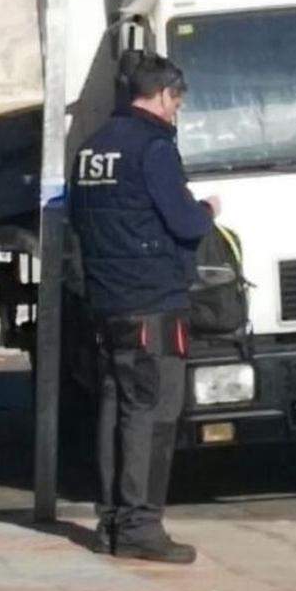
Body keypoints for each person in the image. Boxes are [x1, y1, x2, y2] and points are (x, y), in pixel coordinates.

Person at [70, 54, 220, 564]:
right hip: (150, 303)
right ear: (161, 95)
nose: (177, 111)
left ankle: (111, 520)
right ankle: (140, 525)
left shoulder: (91, 149)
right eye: (177, 101)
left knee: (114, 409)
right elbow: (185, 223)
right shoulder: (153, 148)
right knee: (153, 414)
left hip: (107, 301)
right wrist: (207, 211)